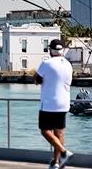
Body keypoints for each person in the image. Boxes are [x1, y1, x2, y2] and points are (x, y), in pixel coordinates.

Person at [34, 39, 74, 169]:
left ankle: (63, 152)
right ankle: (56, 163)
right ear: (62, 51)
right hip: (64, 103)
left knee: (45, 131)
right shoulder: (68, 65)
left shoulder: (46, 63)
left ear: (50, 50)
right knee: (59, 132)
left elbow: (37, 80)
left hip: (49, 103)